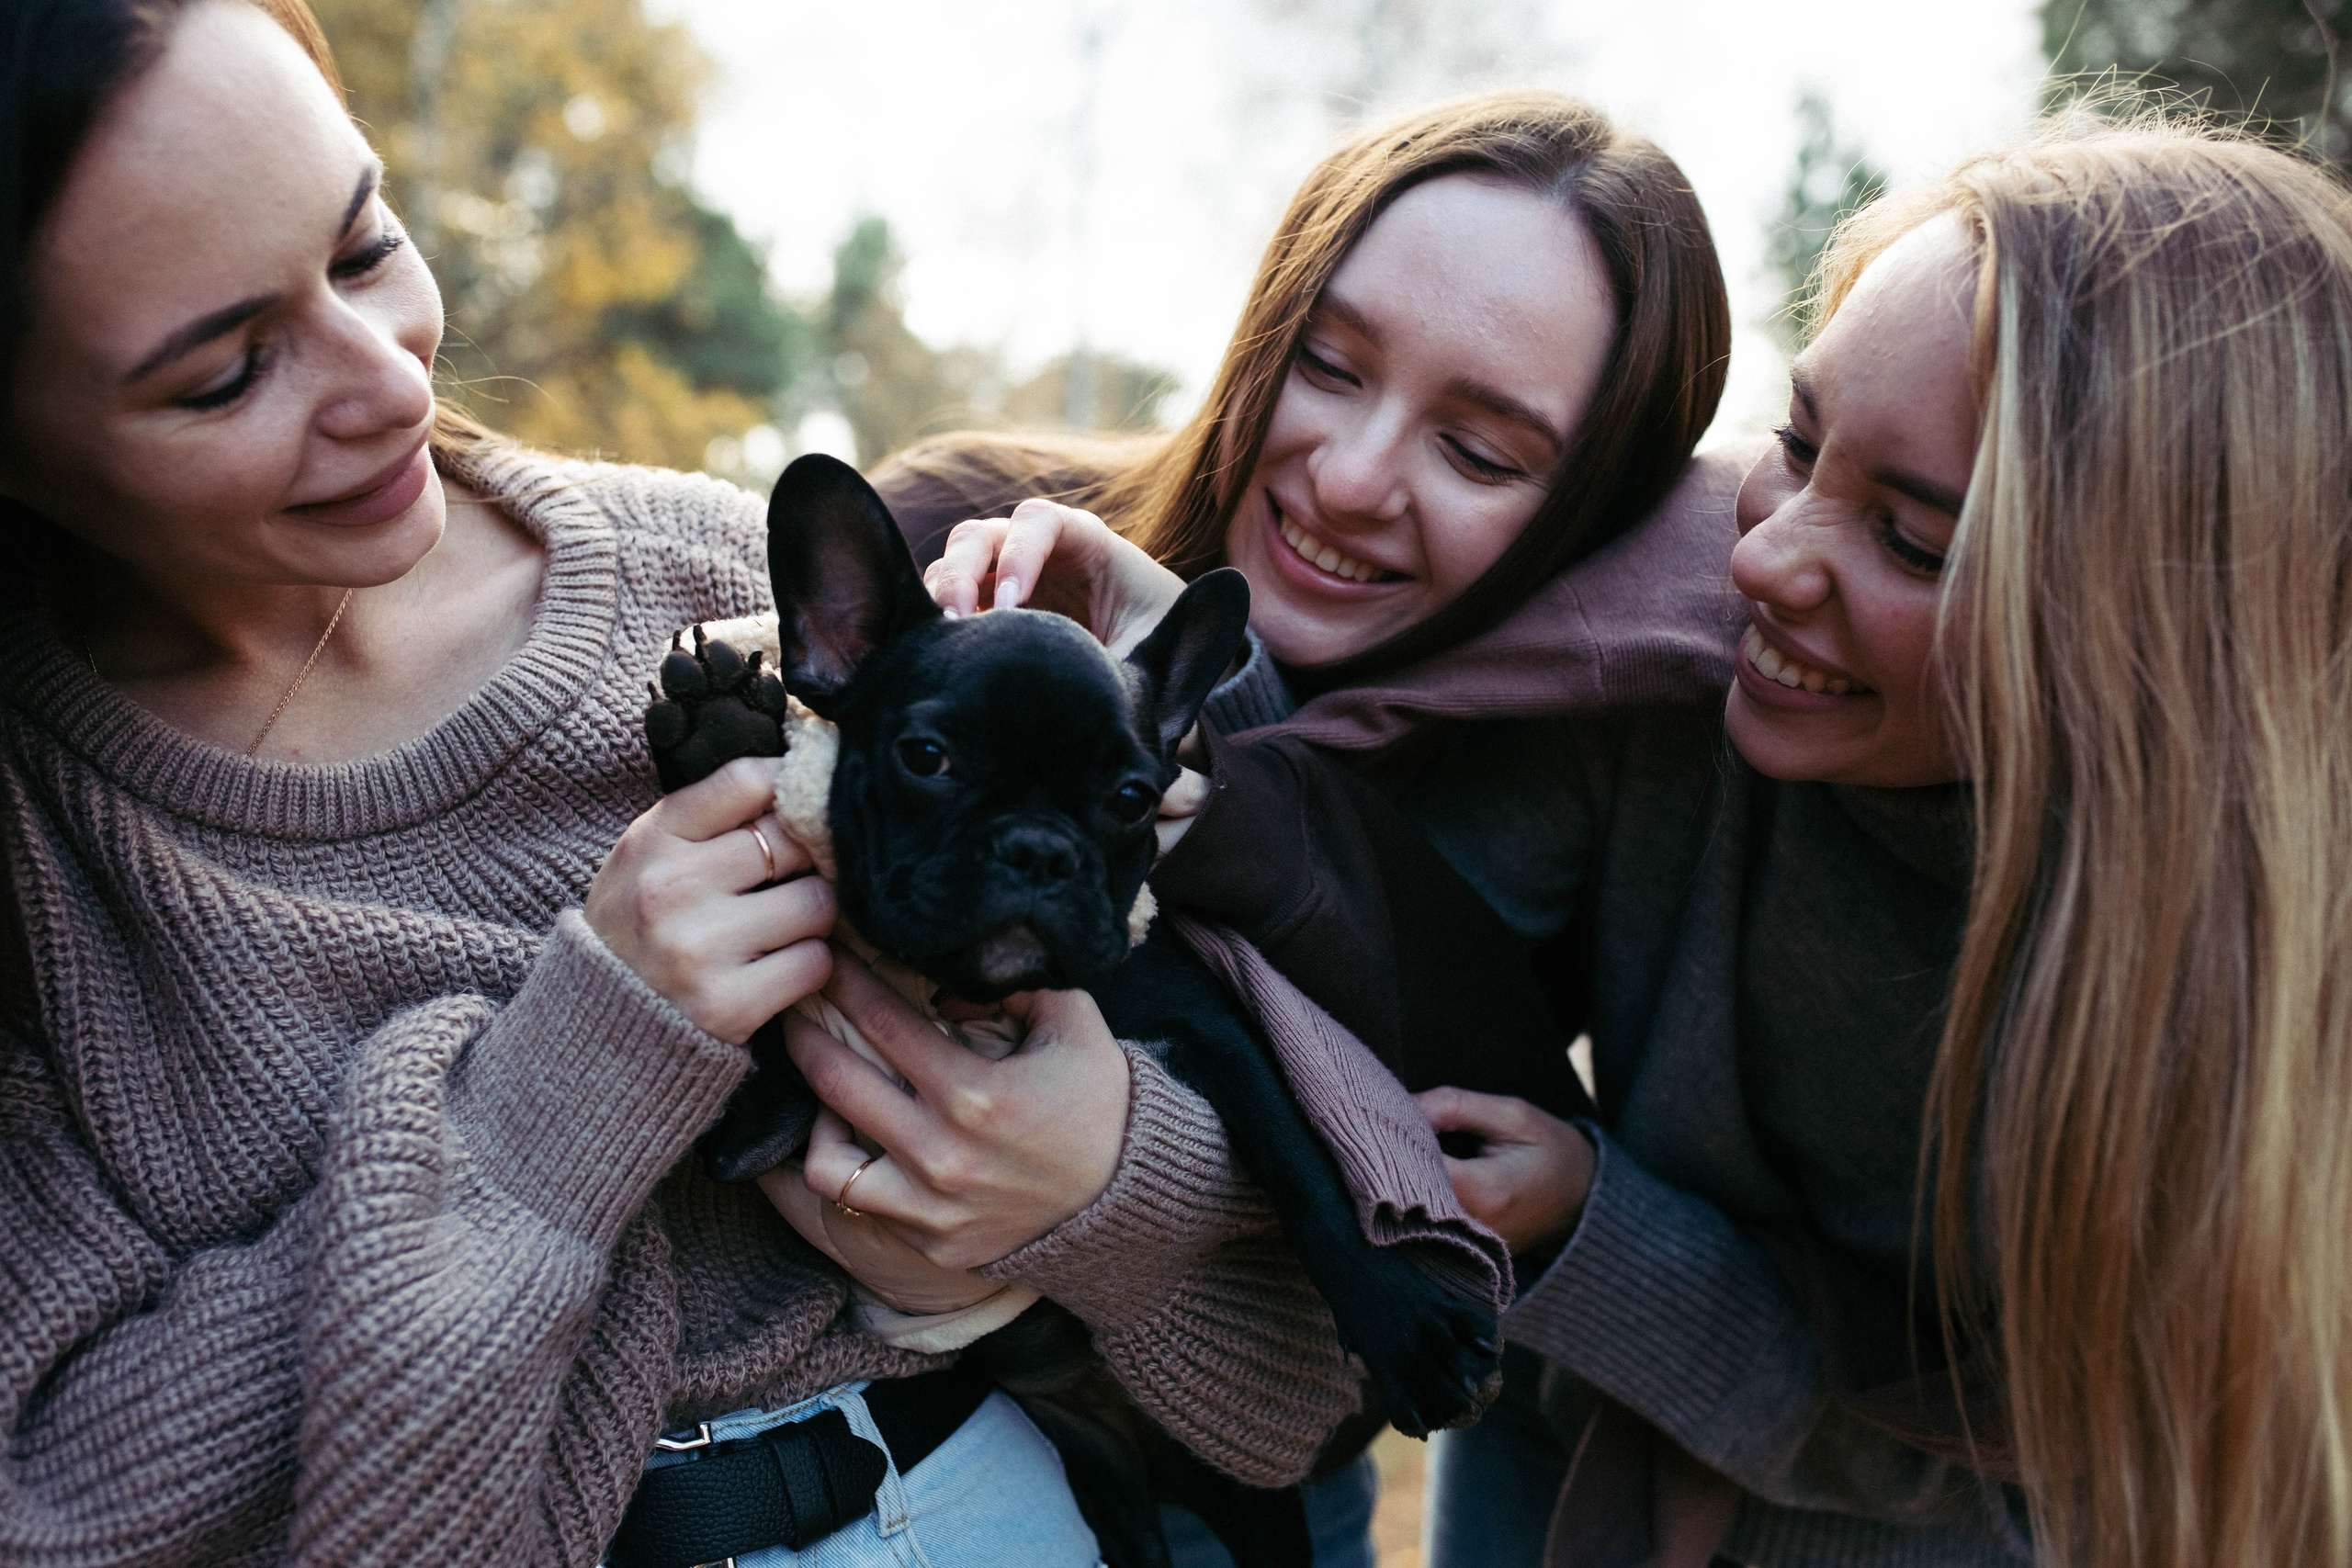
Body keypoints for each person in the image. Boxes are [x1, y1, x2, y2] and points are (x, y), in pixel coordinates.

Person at [0, 3, 1369, 1563]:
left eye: (368, 247)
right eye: (230, 371)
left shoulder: (724, 581)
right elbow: (57, 1502)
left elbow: (1319, 1351)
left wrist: (1105, 1177)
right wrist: (546, 1111)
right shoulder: (40, 857)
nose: (384, 380)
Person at [951, 110, 2352, 1568]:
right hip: (1558, 1440)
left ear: (2173, 649)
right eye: (1798, 445)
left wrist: (1613, 1247)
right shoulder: (1681, 662)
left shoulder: (2266, 1003)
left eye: (1918, 543)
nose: (1763, 560)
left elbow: (2055, 1448)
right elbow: (1371, 937)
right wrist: (1171, 678)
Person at [882, 89, 1737, 1563]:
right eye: (1326, 366)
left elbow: (1466, 1244)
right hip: (875, 1464)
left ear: (1590, 512)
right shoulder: (959, 543)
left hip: (1263, 1493)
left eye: (1481, 455)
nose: (1347, 478)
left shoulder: (1573, 771)